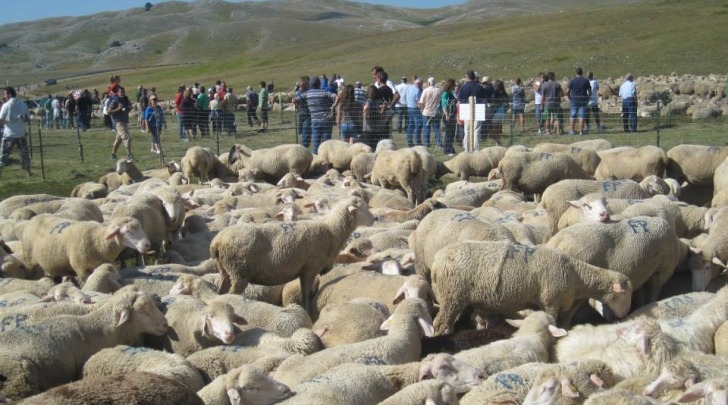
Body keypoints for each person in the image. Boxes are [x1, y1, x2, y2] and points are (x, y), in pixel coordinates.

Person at [294, 75, 336, 154]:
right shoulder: (324, 92)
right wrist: (333, 106)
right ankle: (326, 161)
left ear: (311, 84)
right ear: (319, 84)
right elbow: (336, 96)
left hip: (315, 121)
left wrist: (303, 105)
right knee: (326, 143)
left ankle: (316, 160)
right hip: (326, 120)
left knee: (316, 143)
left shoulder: (307, 94)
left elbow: (294, 100)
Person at [0, 86, 32, 175]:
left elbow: (1, 118)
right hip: (21, 133)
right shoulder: (23, 104)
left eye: (5, 94)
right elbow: (27, 118)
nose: (4, 96)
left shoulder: (6, 105)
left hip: (9, 133)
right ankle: (28, 171)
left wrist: (3, 125)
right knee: (24, 154)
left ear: (9, 94)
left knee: (3, 154)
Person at [457, 70, 487, 151]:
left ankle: (466, 149)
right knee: (476, 131)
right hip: (478, 109)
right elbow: (484, 100)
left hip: (466, 109)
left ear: (467, 77)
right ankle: (476, 149)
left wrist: (458, 113)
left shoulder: (463, 87)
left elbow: (459, 101)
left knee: (467, 130)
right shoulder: (479, 87)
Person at [108, 86, 134, 161]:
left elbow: (129, 106)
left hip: (125, 121)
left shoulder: (126, 99)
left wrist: (128, 109)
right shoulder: (115, 100)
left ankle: (113, 155)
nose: (123, 93)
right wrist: (118, 109)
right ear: (118, 92)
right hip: (118, 121)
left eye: (123, 92)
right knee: (126, 137)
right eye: (121, 92)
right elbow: (109, 111)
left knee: (118, 139)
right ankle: (129, 155)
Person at [566, 67, 592, 135]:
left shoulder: (572, 80)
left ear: (576, 73)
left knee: (572, 115)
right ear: (581, 72)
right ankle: (581, 131)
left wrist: (569, 97)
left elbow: (567, 91)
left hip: (574, 99)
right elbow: (590, 91)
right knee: (582, 115)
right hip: (583, 99)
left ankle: (572, 130)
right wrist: (588, 98)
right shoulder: (586, 81)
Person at [419, 77, 441, 149]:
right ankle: (438, 143)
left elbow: (421, 102)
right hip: (435, 111)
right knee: (436, 128)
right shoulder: (438, 90)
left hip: (427, 112)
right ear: (434, 83)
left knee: (426, 128)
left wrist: (422, 110)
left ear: (428, 83)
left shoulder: (425, 90)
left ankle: (426, 143)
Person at [440, 78, 458, 156]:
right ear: (450, 85)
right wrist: (447, 115)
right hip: (448, 116)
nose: (455, 86)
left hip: (452, 115)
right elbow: (444, 105)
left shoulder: (450, 93)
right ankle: (447, 150)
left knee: (452, 133)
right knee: (449, 133)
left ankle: (451, 148)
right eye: (454, 84)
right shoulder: (445, 94)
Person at [404, 78, 423, 147]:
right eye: (421, 84)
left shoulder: (409, 88)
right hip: (415, 109)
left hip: (409, 108)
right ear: (418, 83)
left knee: (410, 125)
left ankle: (409, 140)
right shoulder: (417, 90)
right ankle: (418, 140)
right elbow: (418, 102)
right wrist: (422, 110)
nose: (422, 85)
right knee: (419, 124)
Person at [294, 77, 311, 148]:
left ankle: (301, 132)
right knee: (306, 129)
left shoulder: (298, 93)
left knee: (302, 128)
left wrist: (298, 107)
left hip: (301, 112)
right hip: (307, 112)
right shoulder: (306, 92)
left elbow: (296, 103)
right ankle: (304, 146)